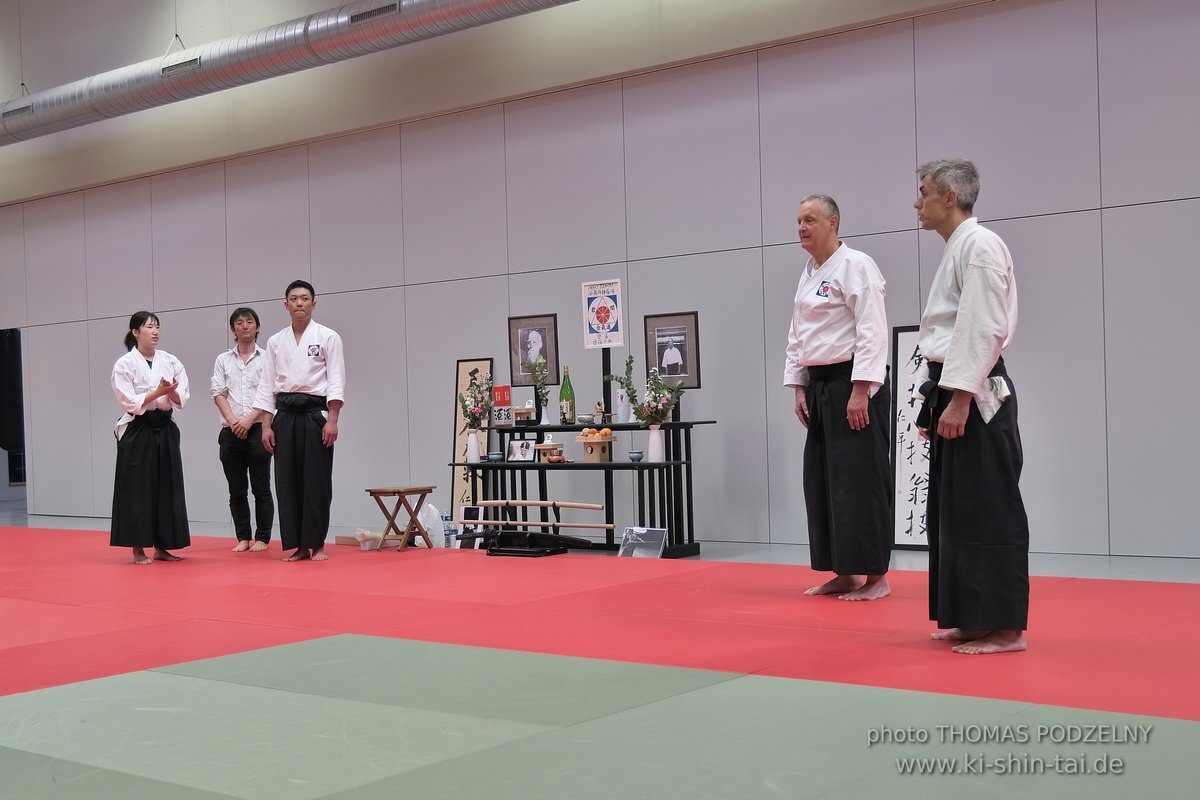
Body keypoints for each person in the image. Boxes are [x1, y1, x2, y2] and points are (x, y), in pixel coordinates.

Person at [913, 158, 1028, 655]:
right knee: (956, 509)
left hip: (977, 395)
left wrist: (959, 398)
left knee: (987, 507)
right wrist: (930, 402)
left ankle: (1004, 628)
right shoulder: (957, 249)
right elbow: (944, 333)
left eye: (924, 193)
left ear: (950, 198)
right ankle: (972, 617)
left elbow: (983, 327)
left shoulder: (979, 246)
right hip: (953, 386)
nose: (917, 203)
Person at [783, 195, 892, 601]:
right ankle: (845, 572)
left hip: (853, 383)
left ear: (833, 222)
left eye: (809, 220)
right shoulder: (809, 272)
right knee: (825, 481)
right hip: (821, 384)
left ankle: (877, 577)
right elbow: (798, 335)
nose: (802, 228)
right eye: (797, 222)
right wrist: (798, 385)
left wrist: (862, 389)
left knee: (860, 481)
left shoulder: (856, 264)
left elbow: (872, 329)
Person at [254, 280, 345, 562]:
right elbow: (267, 385)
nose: (300, 303)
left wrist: (332, 420)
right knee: (287, 481)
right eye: (294, 299)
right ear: (286, 305)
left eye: (305, 298)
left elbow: (336, 380)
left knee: (316, 480)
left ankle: (316, 543)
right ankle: (297, 545)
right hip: (284, 415)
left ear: (314, 304)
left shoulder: (328, 337)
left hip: (314, 414)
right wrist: (266, 426)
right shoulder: (274, 341)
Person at [110, 311, 191, 564]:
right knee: (138, 487)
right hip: (138, 428)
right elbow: (128, 401)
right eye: (148, 327)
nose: (155, 331)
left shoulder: (170, 360)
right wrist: (157, 392)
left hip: (165, 426)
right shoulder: (124, 364)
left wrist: (170, 392)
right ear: (135, 332)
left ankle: (164, 547)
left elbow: (182, 398)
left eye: (157, 327)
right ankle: (138, 547)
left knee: (168, 486)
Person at [211, 307, 274, 552]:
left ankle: (263, 538)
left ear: (257, 327)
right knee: (236, 489)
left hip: (259, 428)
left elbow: (270, 392)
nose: (245, 326)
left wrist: (249, 420)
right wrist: (234, 420)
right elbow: (217, 392)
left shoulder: (267, 357)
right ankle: (243, 537)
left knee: (261, 487)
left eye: (250, 322)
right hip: (230, 431)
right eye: (239, 322)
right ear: (233, 329)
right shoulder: (223, 360)